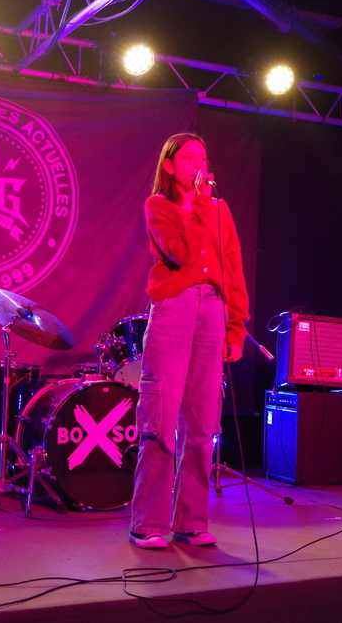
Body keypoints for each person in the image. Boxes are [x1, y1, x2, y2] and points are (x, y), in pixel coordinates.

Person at [129, 132, 249, 550]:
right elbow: (180, 251)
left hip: (212, 310)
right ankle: (148, 523)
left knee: (202, 424)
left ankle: (191, 521)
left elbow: (232, 266)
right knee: (160, 417)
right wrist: (199, 203)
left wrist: (235, 326)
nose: (199, 165)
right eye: (189, 158)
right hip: (174, 309)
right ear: (170, 166)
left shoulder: (219, 209)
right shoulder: (159, 206)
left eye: (203, 157)